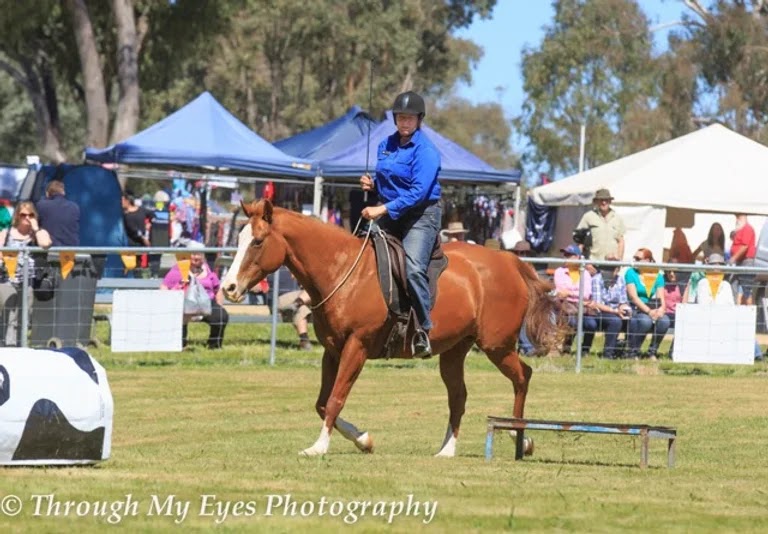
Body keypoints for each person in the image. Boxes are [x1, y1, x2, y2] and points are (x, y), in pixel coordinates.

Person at [359, 90, 441, 359]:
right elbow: (389, 182)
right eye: (401, 118)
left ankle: (423, 330)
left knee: (414, 268)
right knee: (363, 253)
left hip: (420, 215)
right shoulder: (385, 145)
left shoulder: (426, 151)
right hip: (391, 212)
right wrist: (373, 185)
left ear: (419, 120)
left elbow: (418, 192)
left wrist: (381, 207)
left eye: (410, 118)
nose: (405, 123)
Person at [0, 202, 52, 346]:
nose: (26, 218)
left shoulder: (38, 234)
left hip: (28, 281)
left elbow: (46, 244)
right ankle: (7, 347)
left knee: (24, 316)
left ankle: (20, 346)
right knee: (9, 315)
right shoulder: (6, 233)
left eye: (30, 215)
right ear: (17, 215)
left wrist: (35, 228)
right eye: (23, 214)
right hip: (6, 279)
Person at [160, 243, 229, 349]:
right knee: (180, 316)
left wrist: (219, 305)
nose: (196, 257)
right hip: (184, 304)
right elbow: (164, 286)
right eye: (193, 254)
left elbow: (217, 289)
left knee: (221, 315)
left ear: (203, 256)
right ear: (187, 255)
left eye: (199, 254)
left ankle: (214, 345)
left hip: (206, 303)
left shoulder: (208, 270)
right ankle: (180, 345)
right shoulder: (179, 268)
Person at [625, 248, 671, 360]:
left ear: (648, 260)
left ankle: (652, 352)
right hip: (637, 308)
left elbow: (661, 297)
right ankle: (633, 351)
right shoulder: (630, 273)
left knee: (665, 321)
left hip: (653, 308)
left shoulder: (657, 276)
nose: (635, 260)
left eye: (638, 258)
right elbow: (633, 297)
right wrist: (649, 311)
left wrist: (661, 310)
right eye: (634, 258)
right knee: (645, 321)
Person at [553, 244, 596, 355]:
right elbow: (560, 291)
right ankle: (567, 347)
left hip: (582, 306)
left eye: (569, 255)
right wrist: (576, 293)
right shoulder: (559, 271)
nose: (565, 257)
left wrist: (569, 293)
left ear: (577, 257)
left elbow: (586, 294)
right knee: (572, 321)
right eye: (565, 255)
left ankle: (585, 350)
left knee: (592, 324)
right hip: (565, 306)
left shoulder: (585, 273)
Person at [586, 264, 631, 360]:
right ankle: (608, 354)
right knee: (615, 321)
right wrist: (615, 311)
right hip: (600, 311)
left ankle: (630, 352)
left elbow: (623, 300)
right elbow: (597, 303)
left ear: (617, 269)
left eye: (610, 269)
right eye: (604, 268)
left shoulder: (621, 279)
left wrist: (624, 308)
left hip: (617, 310)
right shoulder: (597, 279)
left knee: (635, 320)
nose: (605, 271)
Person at [575, 188, 625, 261]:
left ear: (610, 201)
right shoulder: (588, 216)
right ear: (596, 202)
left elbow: (621, 241)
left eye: (606, 200)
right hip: (592, 262)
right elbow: (580, 241)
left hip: (612, 263)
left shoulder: (617, 218)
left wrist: (619, 261)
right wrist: (584, 262)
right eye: (601, 200)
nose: (604, 202)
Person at [36, 180, 80, 246]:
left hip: (50, 249)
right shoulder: (74, 207)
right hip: (71, 249)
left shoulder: (41, 205)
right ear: (63, 192)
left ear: (47, 193)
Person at [122, 190, 153, 273]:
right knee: (129, 265)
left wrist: (150, 223)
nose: (121, 202)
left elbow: (153, 215)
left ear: (127, 201)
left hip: (140, 244)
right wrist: (144, 239)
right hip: (130, 244)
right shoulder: (126, 215)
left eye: (122, 200)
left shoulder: (142, 210)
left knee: (138, 266)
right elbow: (132, 229)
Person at [729, 214, 756, 305]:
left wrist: (733, 258)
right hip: (740, 262)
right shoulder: (741, 230)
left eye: (737, 217)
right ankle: (738, 308)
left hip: (746, 261)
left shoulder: (747, 229)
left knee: (746, 287)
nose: (736, 220)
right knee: (734, 283)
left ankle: (749, 310)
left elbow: (745, 246)